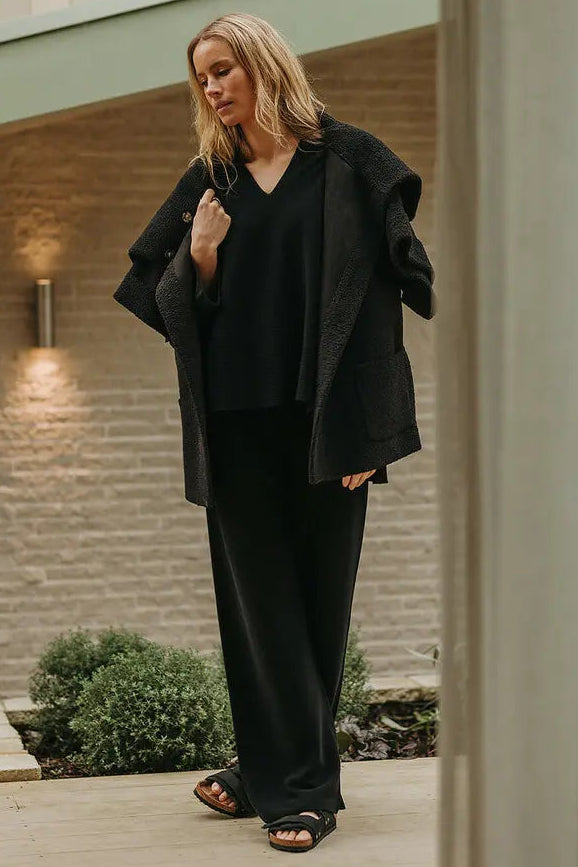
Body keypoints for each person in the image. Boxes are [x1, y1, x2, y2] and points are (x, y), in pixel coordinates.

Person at [113, 11, 435, 855]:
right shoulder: (210, 178)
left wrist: (372, 436)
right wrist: (205, 256)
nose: (212, 88)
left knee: (318, 604)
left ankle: (271, 772)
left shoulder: (350, 162)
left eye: (224, 69)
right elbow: (157, 293)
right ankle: (300, 790)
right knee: (259, 610)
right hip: (236, 427)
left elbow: (384, 306)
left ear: (263, 65)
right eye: (202, 77)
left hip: (329, 425)